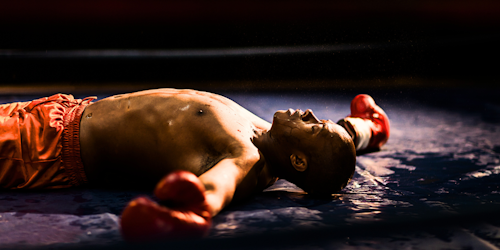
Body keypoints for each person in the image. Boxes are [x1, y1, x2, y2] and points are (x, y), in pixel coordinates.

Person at [0, 88, 389, 241]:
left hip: (41, 145)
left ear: (298, 159)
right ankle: (375, 129)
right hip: (62, 110)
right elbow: (334, 146)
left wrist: (192, 208)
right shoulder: (271, 134)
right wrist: (363, 130)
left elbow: (219, 186)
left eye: (313, 126)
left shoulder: (248, 158)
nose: (307, 112)